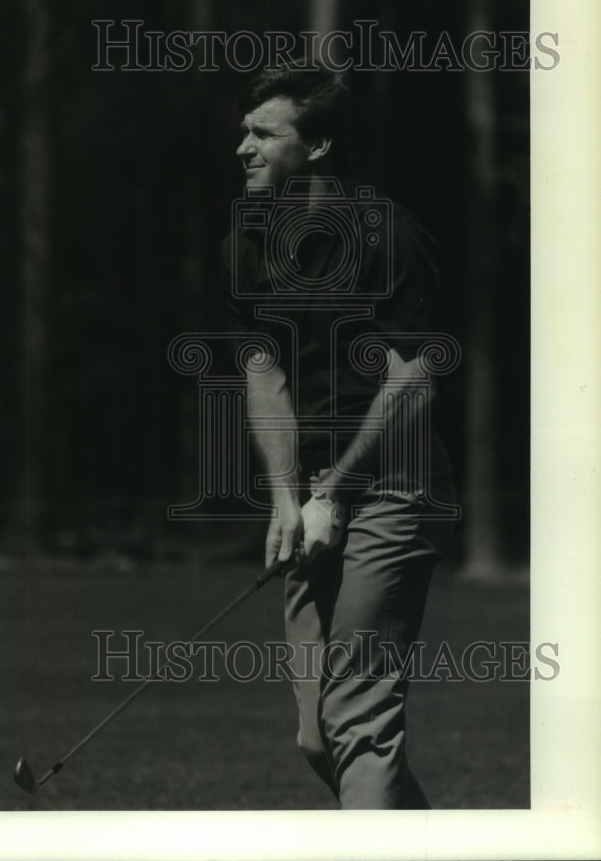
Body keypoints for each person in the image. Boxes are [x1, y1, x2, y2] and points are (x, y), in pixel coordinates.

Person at [220, 62, 456, 809]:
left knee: (357, 714)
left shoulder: (384, 232)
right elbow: (264, 376)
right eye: (242, 133)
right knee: (317, 735)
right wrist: (287, 500)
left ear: (317, 146)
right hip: (317, 491)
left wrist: (333, 491)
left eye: (264, 133)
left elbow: (413, 380)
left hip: (393, 482)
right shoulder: (247, 242)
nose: (243, 149)